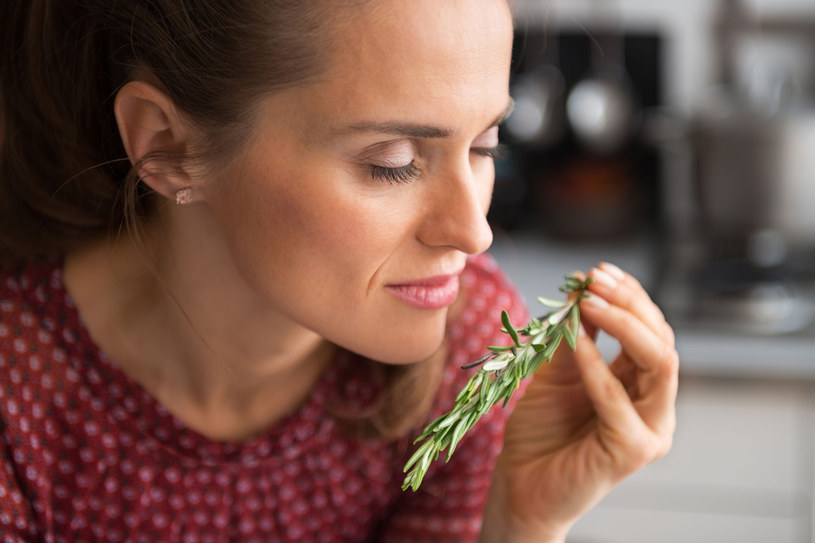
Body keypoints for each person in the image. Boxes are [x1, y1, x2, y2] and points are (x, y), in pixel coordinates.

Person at [0, 1, 679, 541]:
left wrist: (521, 526)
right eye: (391, 161)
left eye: (484, 147)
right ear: (169, 146)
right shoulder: (17, 397)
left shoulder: (470, 355)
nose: (473, 231)